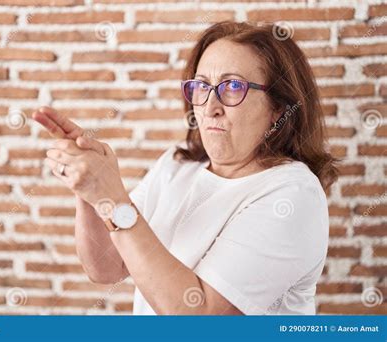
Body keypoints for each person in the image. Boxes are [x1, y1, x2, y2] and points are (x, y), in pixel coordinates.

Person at [33, 21, 338, 315]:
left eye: (232, 86)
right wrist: (89, 190)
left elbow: (201, 317)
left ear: (278, 110)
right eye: (201, 86)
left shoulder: (293, 194)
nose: (210, 106)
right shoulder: (177, 166)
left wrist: (112, 198)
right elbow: (107, 267)